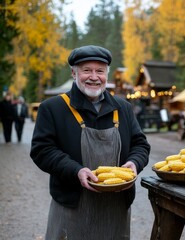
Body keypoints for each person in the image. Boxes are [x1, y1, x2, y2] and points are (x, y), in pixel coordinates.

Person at [30, 45, 151, 240]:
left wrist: (134, 163)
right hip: (72, 206)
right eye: (86, 70)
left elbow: (140, 145)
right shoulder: (52, 108)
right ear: (74, 73)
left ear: (106, 75)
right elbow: (42, 151)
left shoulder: (124, 108)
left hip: (115, 208)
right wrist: (75, 170)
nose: (94, 77)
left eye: (100, 71)